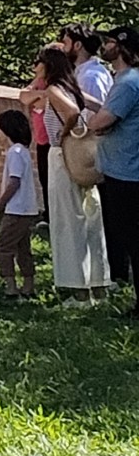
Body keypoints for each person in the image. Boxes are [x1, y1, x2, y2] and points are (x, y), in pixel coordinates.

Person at [26, 44, 110, 300]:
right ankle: (99, 284)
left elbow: (72, 113)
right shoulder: (73, 88)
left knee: (68, 219)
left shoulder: (54, 90)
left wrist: (63, 135)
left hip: (62, 153)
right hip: (83, 154)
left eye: (38, 61)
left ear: (48, 65)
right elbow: (98, 107)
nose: (35, 66)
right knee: (91, 216)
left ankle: (77, 289)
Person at [84, 26, 139, 311]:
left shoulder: (128, 82)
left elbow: (99, 122)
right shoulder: (125, 81)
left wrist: (98, 124)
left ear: (120, 46)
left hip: (127, 174)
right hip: (125, 169)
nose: (103, 46)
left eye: (107, 42)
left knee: (132, 238)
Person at [0, 107, 43, 300]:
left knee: (2, 247)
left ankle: (10, 285)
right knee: (22, 248)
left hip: (16, 209)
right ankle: (29, 284)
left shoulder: (15, 152)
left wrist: (1, 203)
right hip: (27, 208)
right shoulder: (23, 151)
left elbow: (15, 181)